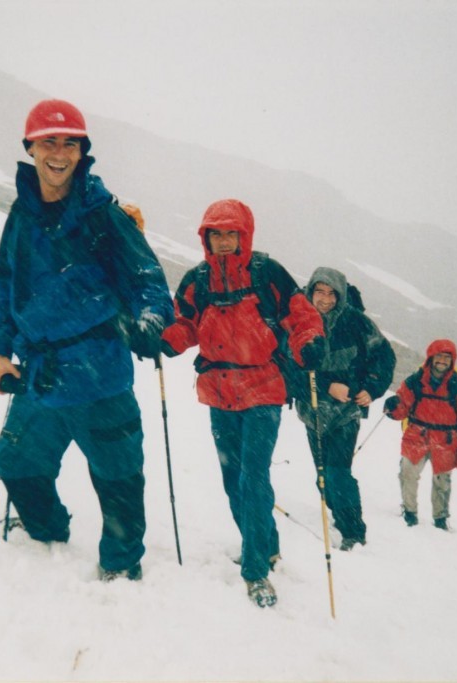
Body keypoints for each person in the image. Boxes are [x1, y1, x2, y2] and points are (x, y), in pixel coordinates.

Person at [0, 99, 174, 581]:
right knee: (17, 464)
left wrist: (149, 324)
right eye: (49, 141)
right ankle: (47, 532)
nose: (59, 152)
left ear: (82, 151)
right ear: (30, 147)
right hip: (40, 376)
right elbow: (6, 285)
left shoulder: (104, 216)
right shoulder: (21, 215)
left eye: (70, 143)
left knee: (119, 480)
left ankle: (120, 566)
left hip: (100, 375)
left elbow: (150, 282)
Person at [160, 198, 325, 608]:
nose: (223, 241)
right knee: (233, 480)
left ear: (244, 235)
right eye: (215, 234)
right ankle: (265, 544)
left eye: (231, 233)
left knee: (253, 477)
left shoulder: (267, 273)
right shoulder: (198, 280)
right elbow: (185, 323)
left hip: (264, 387)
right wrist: (163, 340)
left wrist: (309, 343)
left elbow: (300, 315)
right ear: (205, 238)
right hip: (219, 390)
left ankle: (256, 571)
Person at [294, 268, 395, 550]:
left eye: (331, 294)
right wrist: (328, 387)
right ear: (310, 290)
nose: (325, 300)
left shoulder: (357, 323)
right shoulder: (295, 320)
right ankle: (339, 513)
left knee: (338, 473)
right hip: (312, 413)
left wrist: (371, 388)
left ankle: (353, 532)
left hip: (345, 413)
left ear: (340, 295)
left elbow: (383, 357)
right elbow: (288, 370)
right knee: (324, 476)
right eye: (319, 292)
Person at [383, 339, 457, 530]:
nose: (442, 361)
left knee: (442, 481)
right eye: (439, 356)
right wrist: (393, 406)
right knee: (408, 473)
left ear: (452, 361)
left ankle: (440, 519)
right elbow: (403, 409)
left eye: (447, 358)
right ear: (431, 358)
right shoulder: (415, 381)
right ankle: (410, 513)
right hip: (417, 435)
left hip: (445, 440)